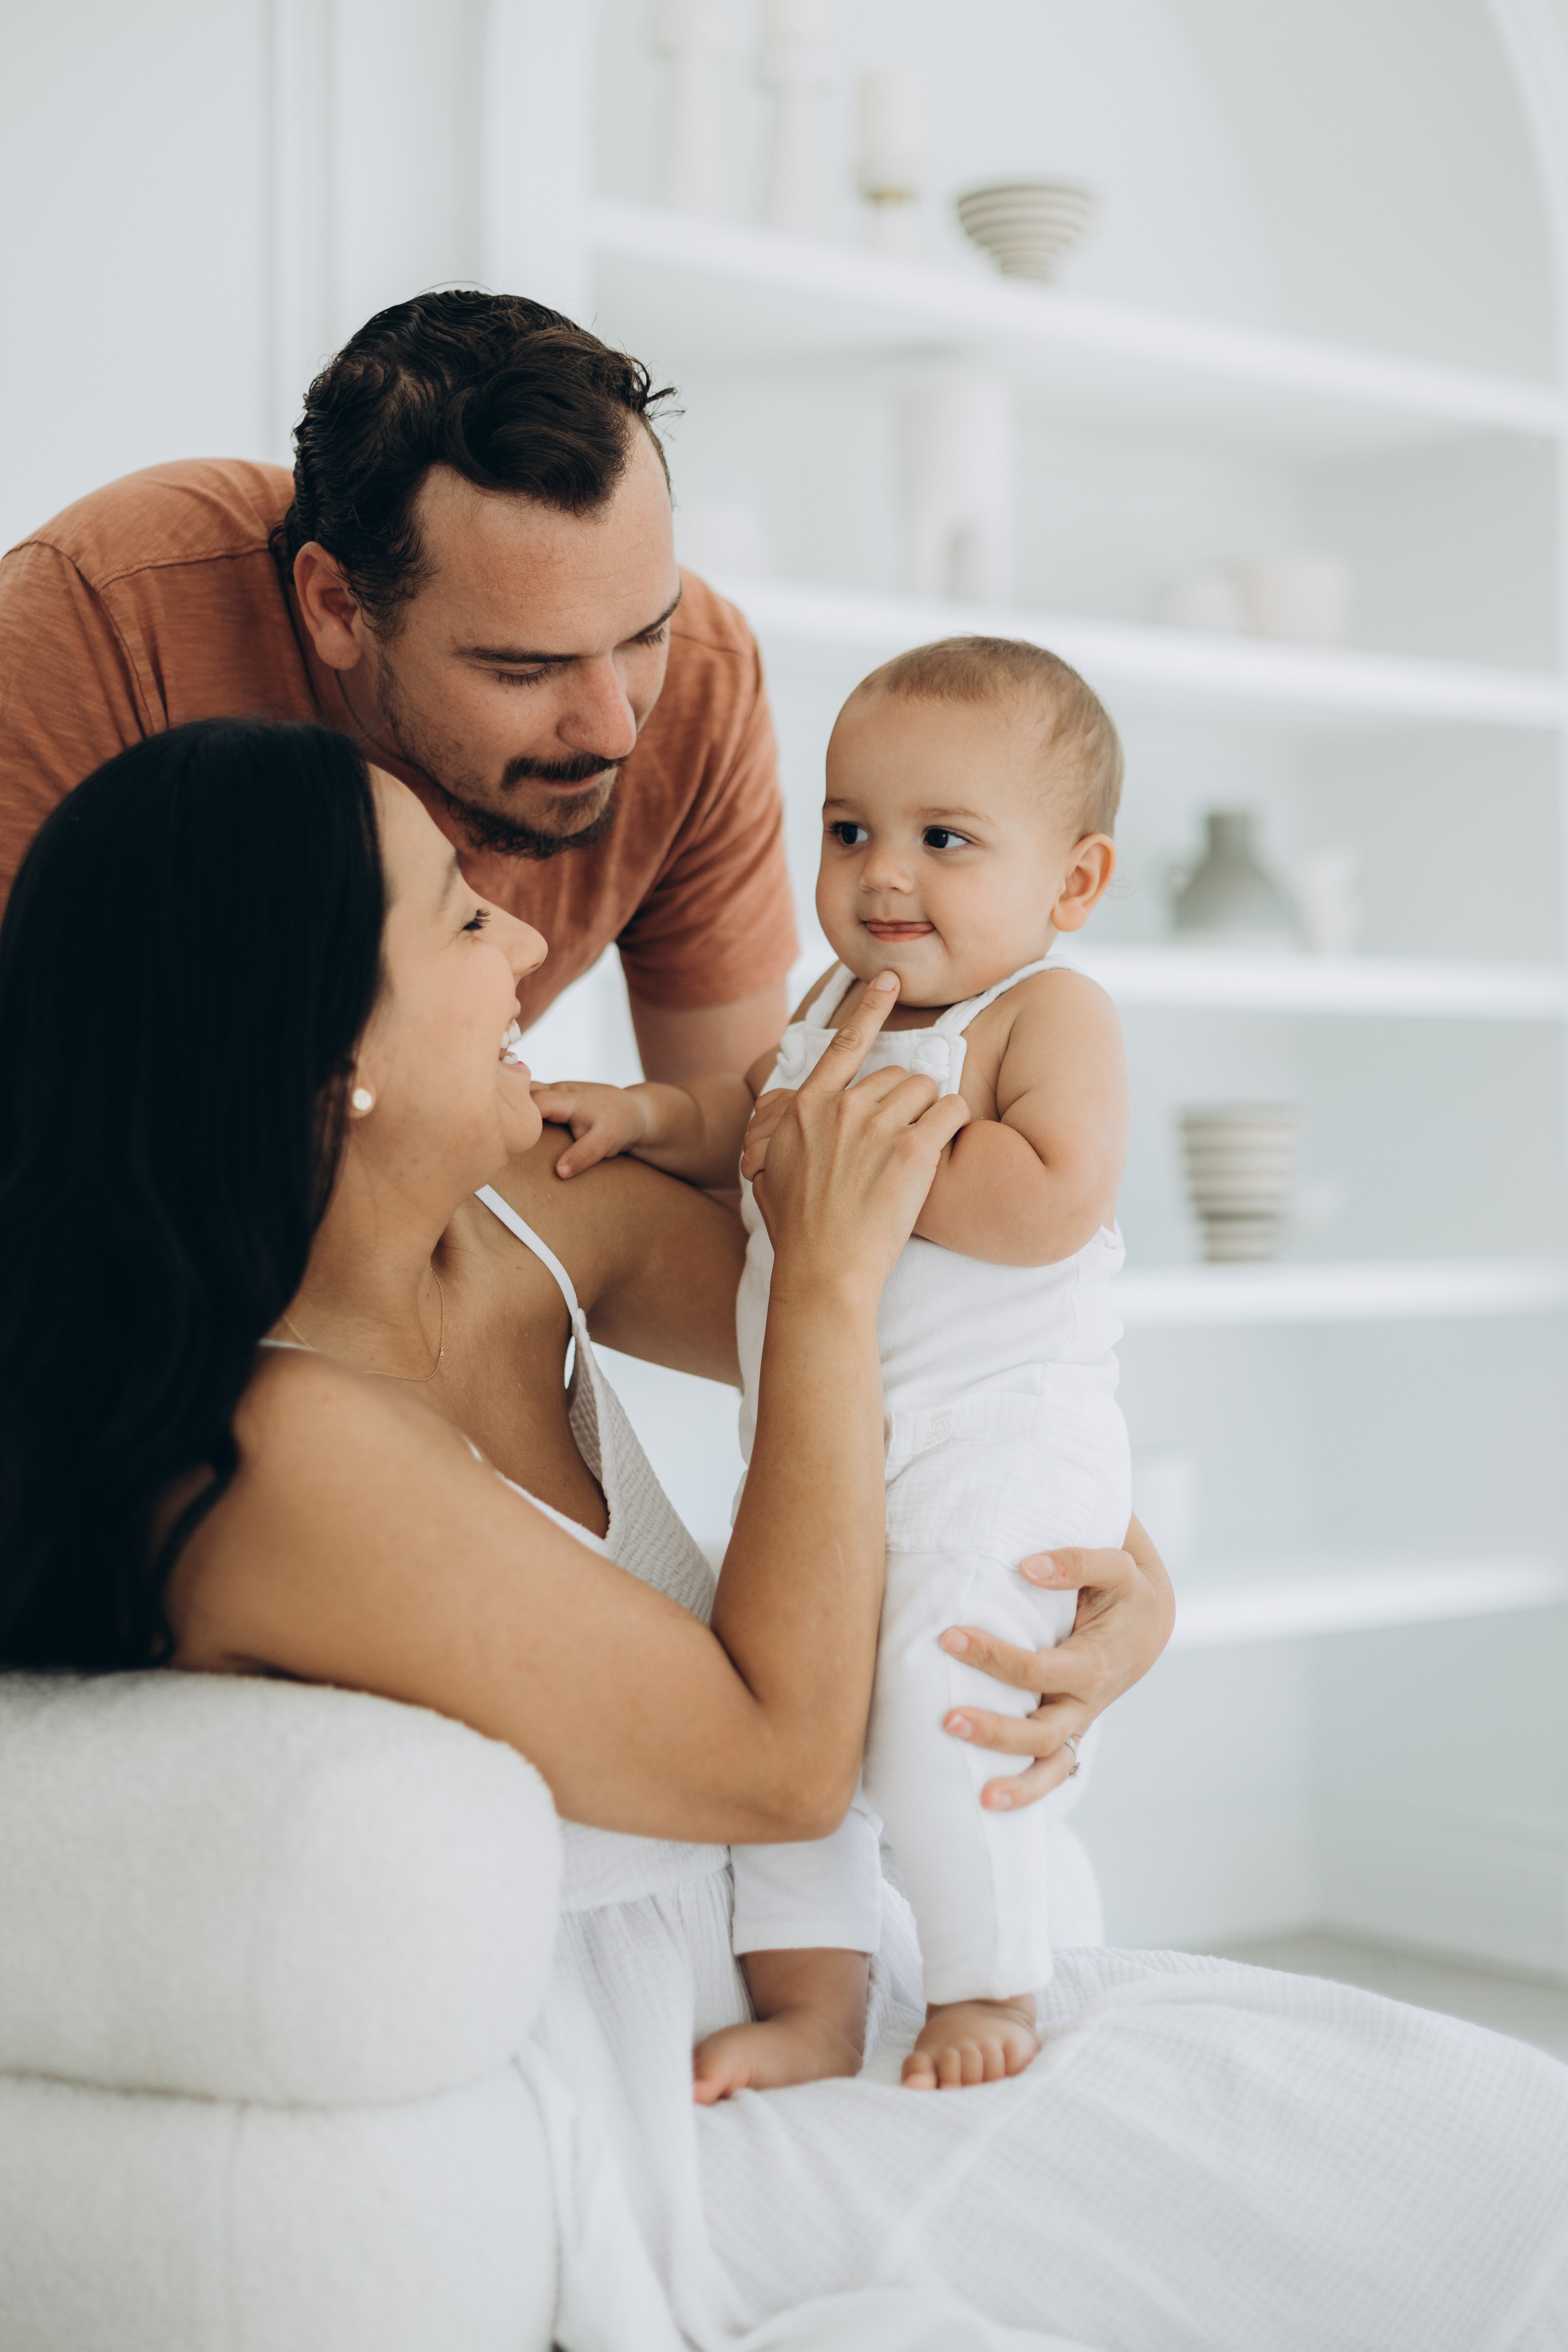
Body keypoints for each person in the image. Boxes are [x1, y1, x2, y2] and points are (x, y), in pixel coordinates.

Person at [2, 718, 1565, 2352]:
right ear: (332, 1058)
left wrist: (1130, 1589)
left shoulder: (523, 1215)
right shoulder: (276, 1453)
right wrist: (813, 1278)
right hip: (661, 2090)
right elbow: (777, 1762)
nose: (532, 942)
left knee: (1456, 2124)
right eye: (465, 918)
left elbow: (946, 1359)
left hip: (824, 1966)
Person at [533, 634, 1132, 2098]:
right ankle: (811, 2006)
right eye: (849, 828)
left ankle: (987, 1976)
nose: (880, 876)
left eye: (943, 840)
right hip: (823, 1446)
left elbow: (1055, 1198)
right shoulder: (825, 1012)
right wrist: (647, 1116)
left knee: (941, 1703)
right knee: (780, 1728)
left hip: (990, 1443)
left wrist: (860, 1156)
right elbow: (736, 1115)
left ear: (1069, 885)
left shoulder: (1039, 1018)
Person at [0, 291, 796, 1079]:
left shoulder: (707, 676)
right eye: (525, 668)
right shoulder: (107, 613)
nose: (615, 731)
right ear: (338, 607)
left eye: (646, 635)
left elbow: (731, 1154)